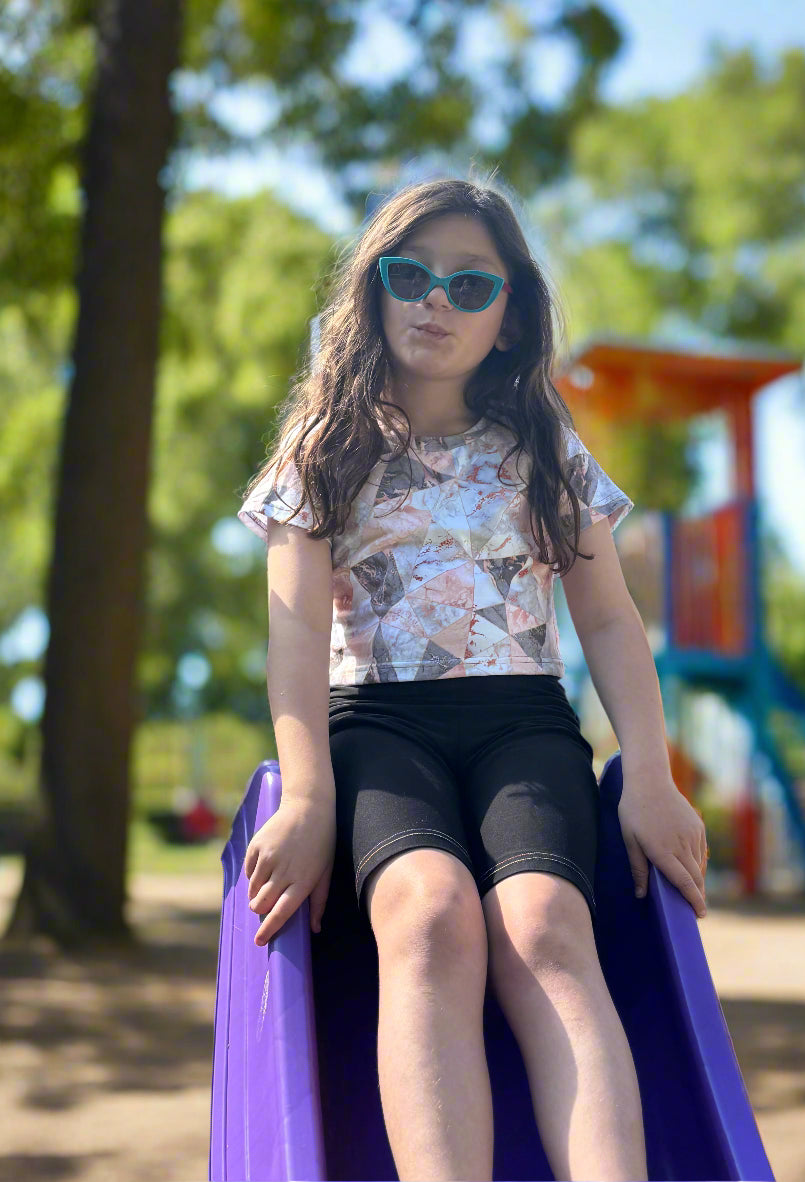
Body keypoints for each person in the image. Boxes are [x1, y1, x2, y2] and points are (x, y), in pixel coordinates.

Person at [236, 175, 709, 1182]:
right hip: (378, 728)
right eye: (410, 277)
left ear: (510, 316)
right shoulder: (320, 456)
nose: (435, 301)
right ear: (371, 294)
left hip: (522, 726)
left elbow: (611, 623)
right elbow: (291, 642)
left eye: (468, 284)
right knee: (431, 910)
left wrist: (654, 776)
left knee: (542, 923)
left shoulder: (545, 453)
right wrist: (311, 793)